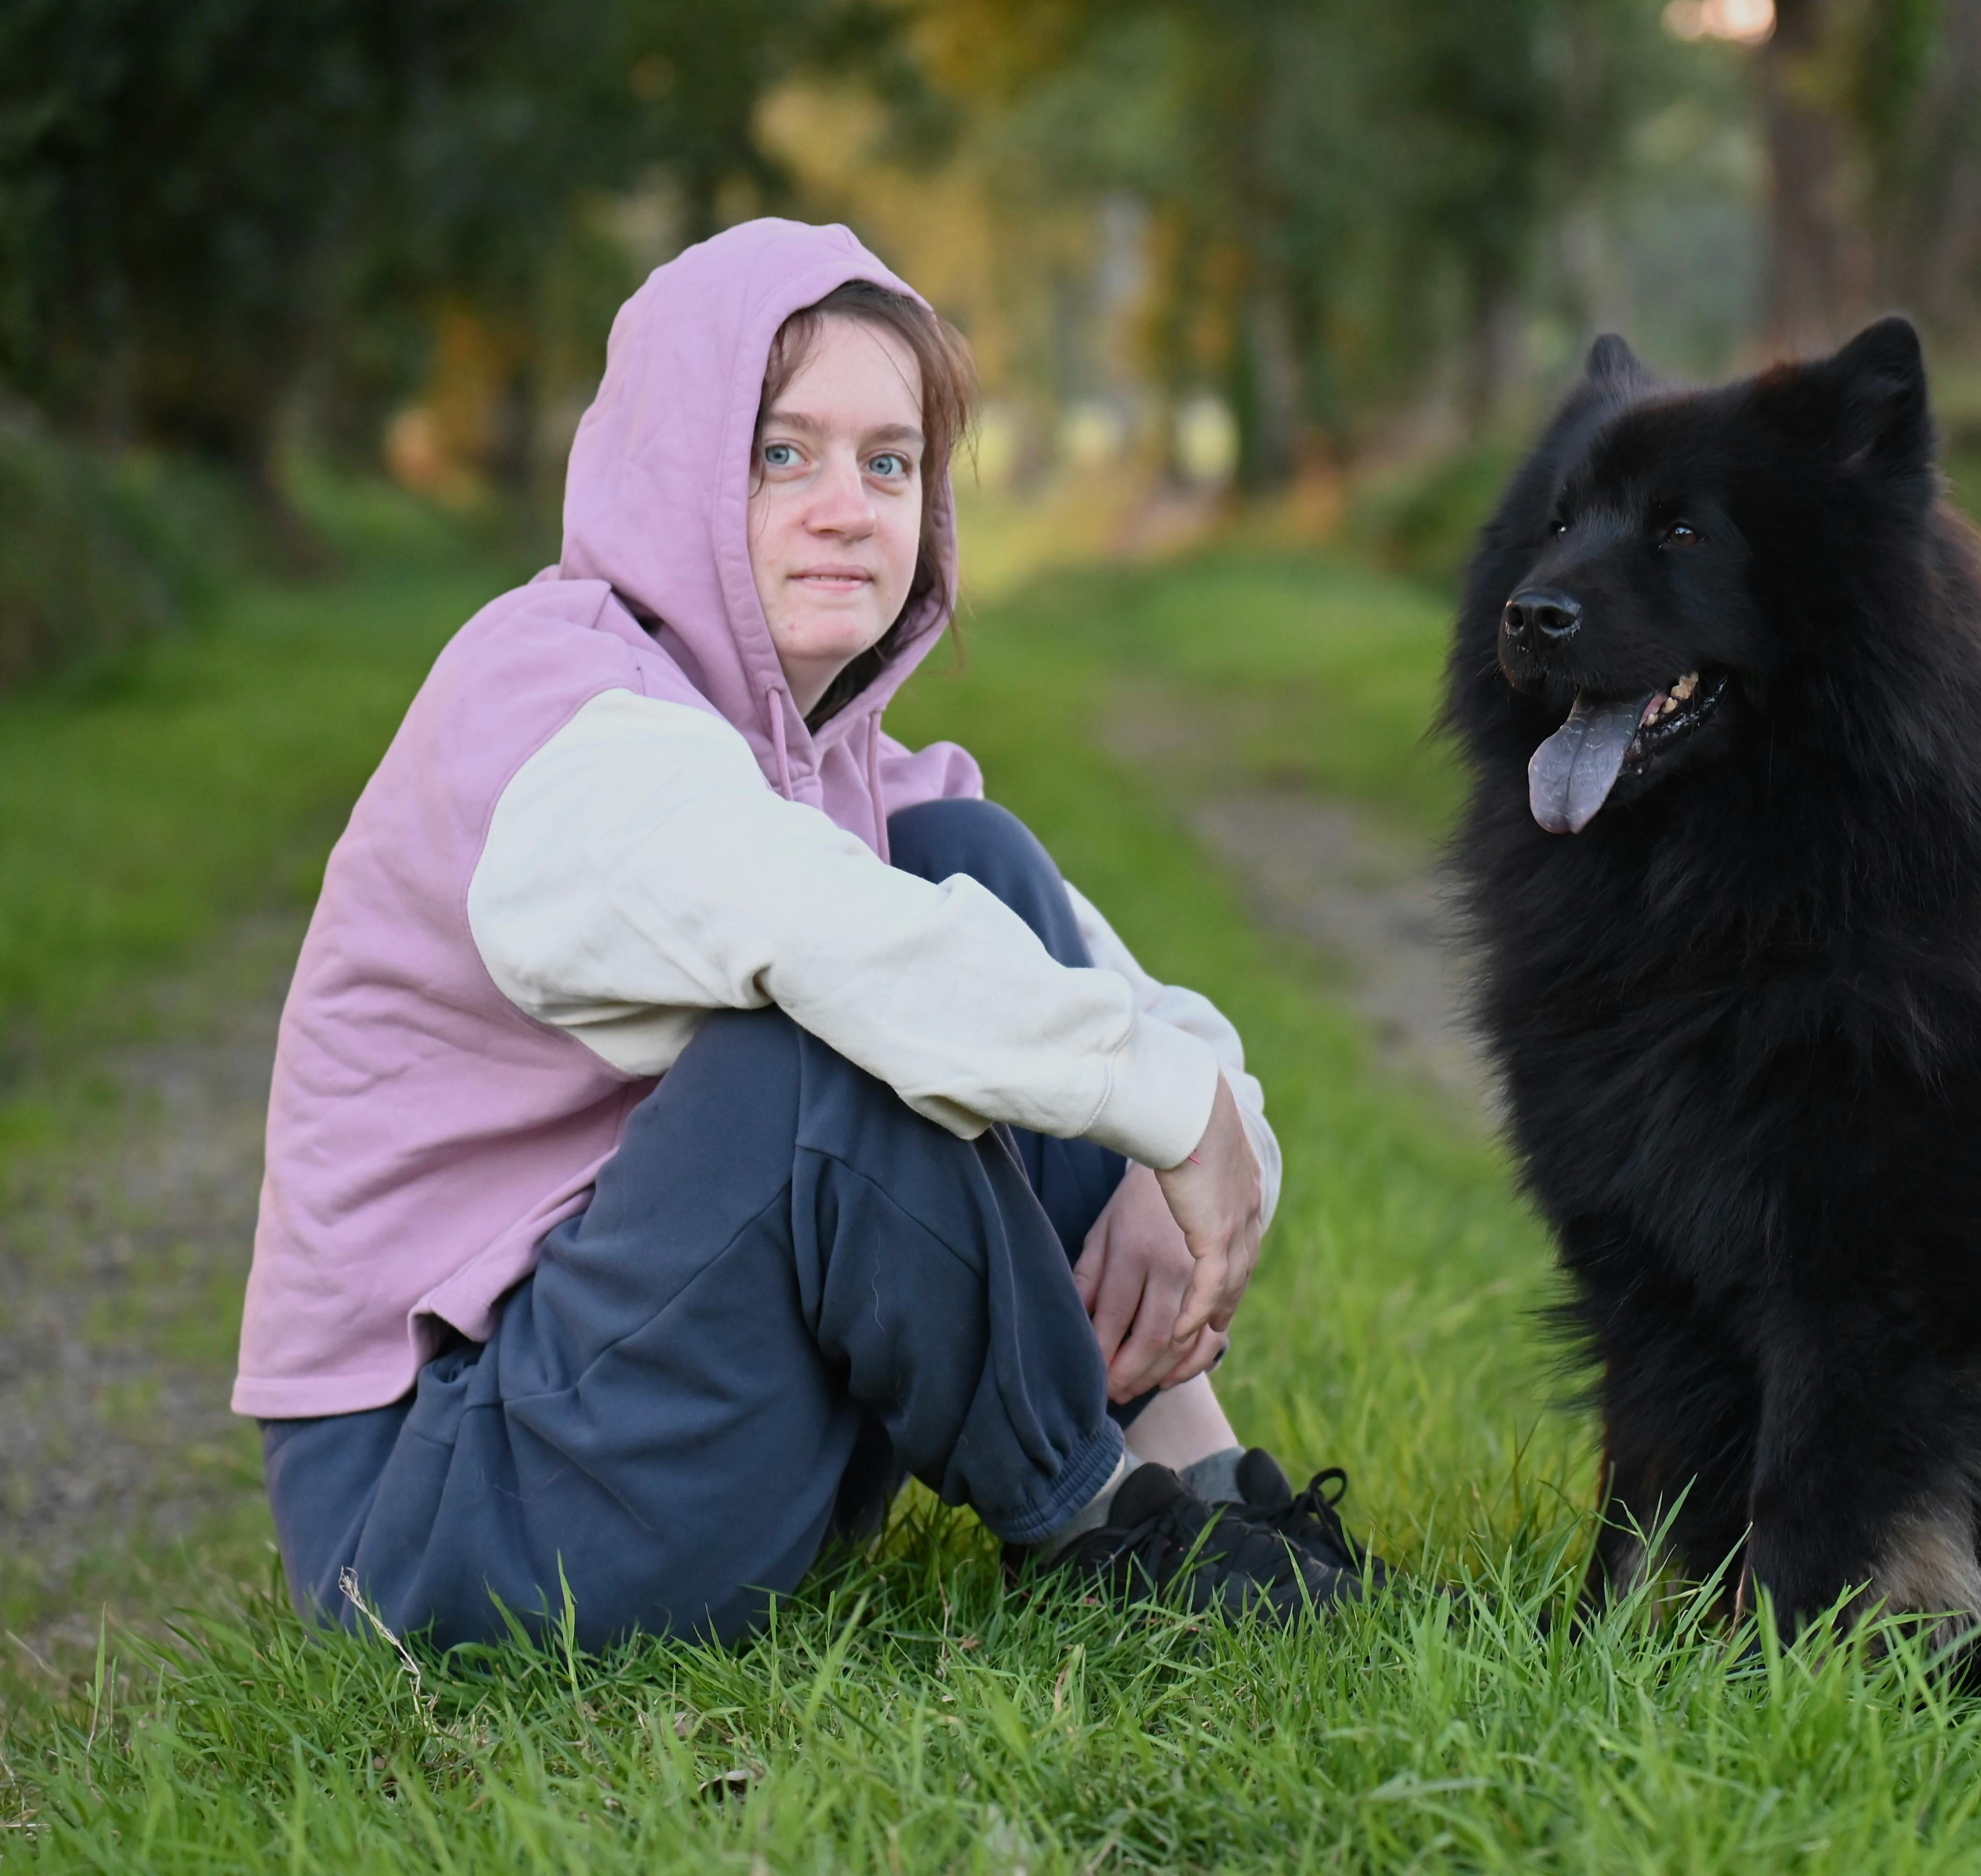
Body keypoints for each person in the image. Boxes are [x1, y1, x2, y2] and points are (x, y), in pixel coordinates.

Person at [235, 219, 1378, 1649]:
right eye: (784, 454)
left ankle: (1195, 1488)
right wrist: (1162, 1107)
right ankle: (1097, 1540)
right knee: (827, 1044)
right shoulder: (548, 713)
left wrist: (1200, 1128)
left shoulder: (838, 774)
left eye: (888, 461)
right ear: (677, 467)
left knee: (971, 868)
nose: (849, 506)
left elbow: (1108, 988)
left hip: (645, 1416)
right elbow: (828, 945)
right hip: (432, 1518)